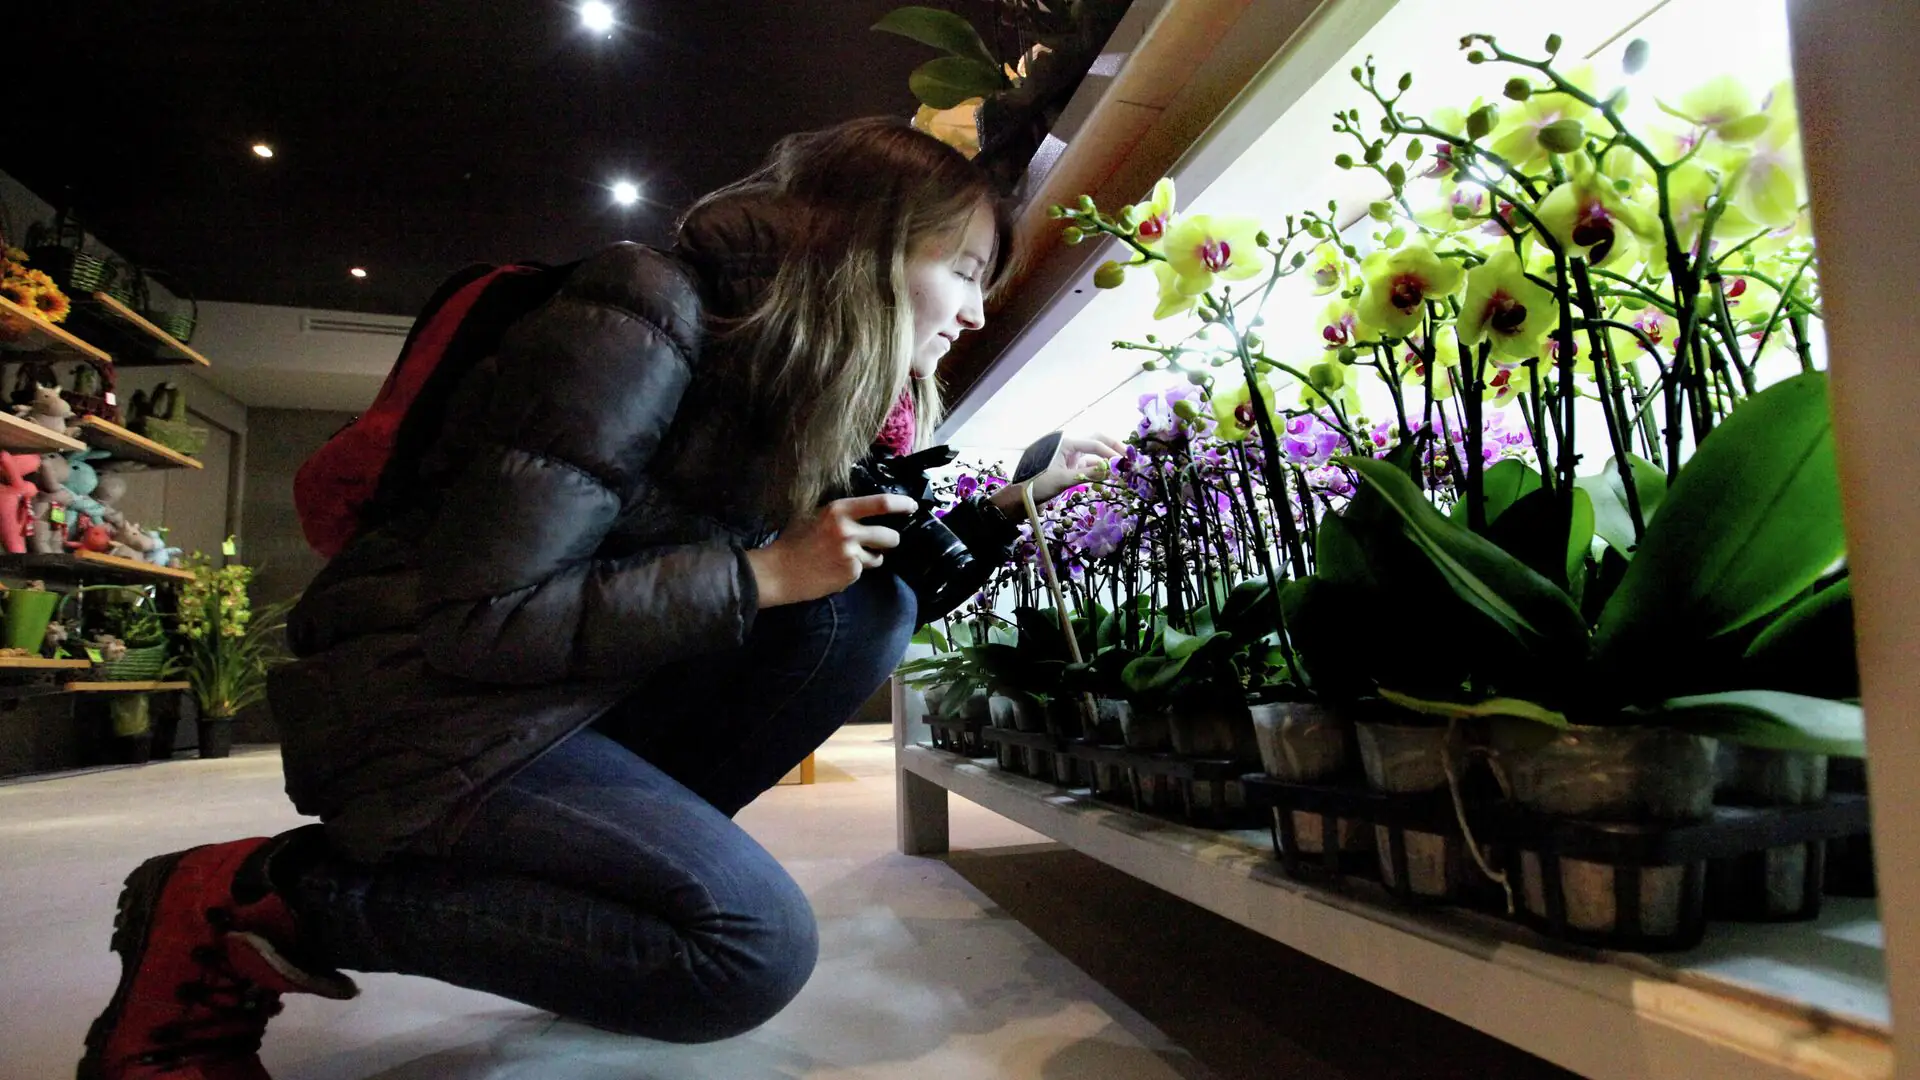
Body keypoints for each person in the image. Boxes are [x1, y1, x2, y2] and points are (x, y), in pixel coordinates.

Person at [77, 116, 1121, 1079]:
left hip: (559, 697)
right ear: (865, 244)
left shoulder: (788, 380)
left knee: (863, 613)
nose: (976, 312)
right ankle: (258, 898)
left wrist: (1010, 508)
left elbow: (857, 594)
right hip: (424, 710)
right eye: (963, 270)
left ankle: (602, 886)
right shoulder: (641, 312)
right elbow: (481, 618)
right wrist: (761, 575)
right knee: (745, 952)